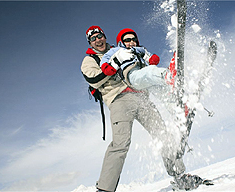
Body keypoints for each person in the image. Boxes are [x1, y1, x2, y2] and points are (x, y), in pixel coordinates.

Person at [81, 26, 201, 192]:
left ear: (104, 36)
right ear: (90, 42)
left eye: (100, 36)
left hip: (142, 98)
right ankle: (104, 189)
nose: (98, 40)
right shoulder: (91, 60)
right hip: (119, 100)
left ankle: (179, 176)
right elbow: (93, 79)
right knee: (120, 144)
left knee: (162, 134)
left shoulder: (120, 47)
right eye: (93, 39)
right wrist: (115, 64)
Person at [99, 28, 176, 91]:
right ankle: (168, 75)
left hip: (144, 76)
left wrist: (152, 59)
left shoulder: (140, 50)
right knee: (149, 72)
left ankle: (176, 102)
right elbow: (106, 58)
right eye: (127, 40)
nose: (131, 42)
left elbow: (151, 58)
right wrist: (107, 67)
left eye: (134, 39)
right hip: (131, 75)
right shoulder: (117, 50)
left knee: (160, 89)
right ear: (121, 42)